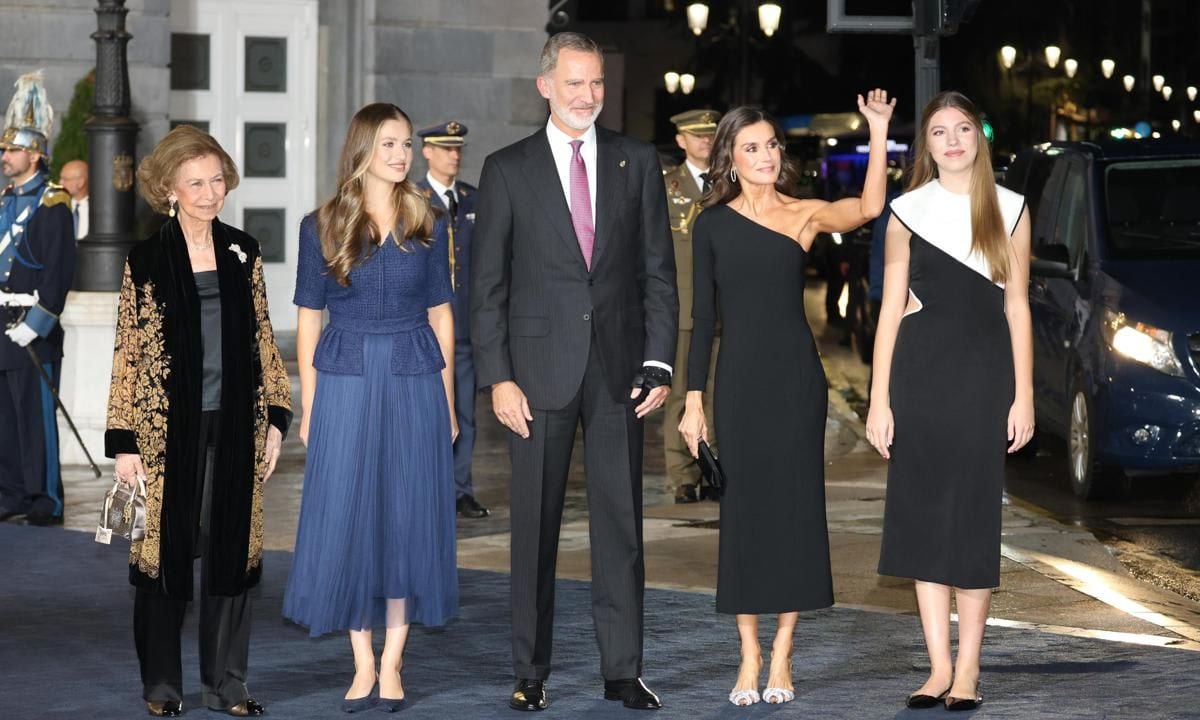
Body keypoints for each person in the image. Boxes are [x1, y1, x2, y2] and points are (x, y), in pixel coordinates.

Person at [472, 31, 677, 712]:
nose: (587, 96)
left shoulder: (637, 161)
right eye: (573, 84)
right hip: (533, 376)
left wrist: (659, 362)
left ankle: (623, 670)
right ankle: (530, 671)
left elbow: (657, 271)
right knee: (534, 530)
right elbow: (488, 286)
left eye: (595, 84)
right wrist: (498, 376)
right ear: (544, 87)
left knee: (621, 527)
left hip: (620, 373)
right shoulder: (506, 170)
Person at [678, 92, 895, 706]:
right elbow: (703, 317)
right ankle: (748, 655)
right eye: (751, 147)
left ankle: (783, 655)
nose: (766, 155)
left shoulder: (804, 215)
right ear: (731, 159)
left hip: (796, 382)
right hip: (739, 382)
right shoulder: (712, 224)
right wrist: (694, 400)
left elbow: (871, 206)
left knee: (797, 513)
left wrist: (877, 132)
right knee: (745, 516)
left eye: (771, 144)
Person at [105, 124, 292, 718]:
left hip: (237, 426)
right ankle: (162, 684)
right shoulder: (147, 258)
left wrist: (275, 421)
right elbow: (128, 352)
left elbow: (264, 338)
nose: (210, 193)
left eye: (216, 180)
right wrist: (125, 440)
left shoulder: (243, 250)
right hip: (164, 434)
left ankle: (227, 684)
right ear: (170, 190)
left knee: (232, 557)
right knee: (162, 559)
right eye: (196, 183)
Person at [283, 102, 459, 714]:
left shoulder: (428, 219)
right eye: (389, 144)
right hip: (346, 376)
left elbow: (441, 312)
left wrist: (450, 401)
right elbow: (308, 316)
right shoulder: (321, 225)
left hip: (415, 375)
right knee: (351, 516)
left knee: (408, 516)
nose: (401, 155)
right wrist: (308, 400)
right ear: (362, 148)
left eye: (406, 144)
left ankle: (393, 663)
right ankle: (361, 662)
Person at [868, 90, 1033, 712]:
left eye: (963, 128)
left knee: (969, 524)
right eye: (940, 132)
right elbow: (889, 310)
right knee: (923, 522)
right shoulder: (906, 211)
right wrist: (879, 400)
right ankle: (936, 669)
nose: (953, 140)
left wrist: (1023, 396)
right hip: (920, 378)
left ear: (978, 138)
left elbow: (1017, 306)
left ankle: (968, 672)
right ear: (928, 146)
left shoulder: (1011, 208)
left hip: (984, 379)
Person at [0, 70, 76, 528]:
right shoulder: (6, 201)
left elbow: (60, 270)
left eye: (11, 150)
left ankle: (45, 499)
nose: (4, 156)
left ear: (35, 154)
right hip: (1, 321)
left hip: (32, 326)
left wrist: (40, 320)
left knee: (35, 418)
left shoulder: (53, 203)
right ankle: (11, 493)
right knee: (5, 419)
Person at [416, 119, 488, 519]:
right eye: (445, 148)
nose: (454, 156)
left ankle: (461, 489)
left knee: (464, 412)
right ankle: (427, 488)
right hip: (425, 326)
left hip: (464, 325)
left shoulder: (473, 198)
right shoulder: (412, 198)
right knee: (426, 412)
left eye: (458, 148)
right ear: (427, 151)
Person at [662, 108, 721, 504]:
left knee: (722, 393)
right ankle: (683, 474)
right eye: (697, 135)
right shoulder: (665, 187)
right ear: (681, 140)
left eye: (711, 135)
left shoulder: (733, 182)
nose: (706, 141)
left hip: (726, 307)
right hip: (683, 307)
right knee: (683, 393)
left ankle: (716, 467)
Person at [59, 158, 88, 240]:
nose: (60, 182)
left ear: (81, 182)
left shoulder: (98, 210)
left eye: (65, 179)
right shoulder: (60, 208)